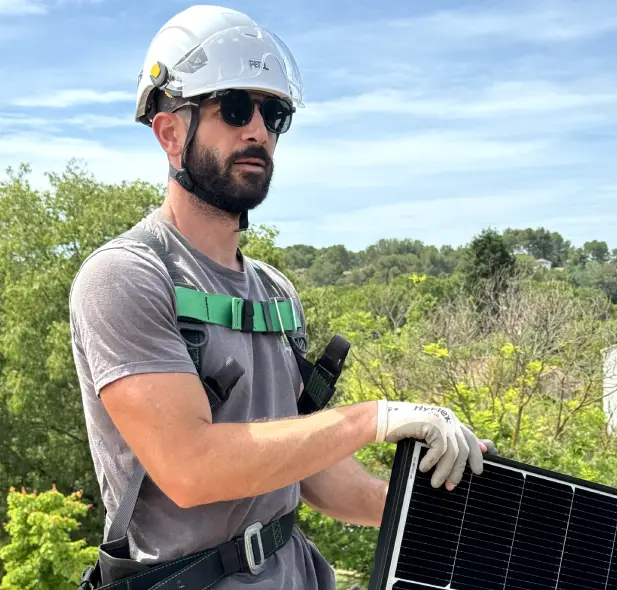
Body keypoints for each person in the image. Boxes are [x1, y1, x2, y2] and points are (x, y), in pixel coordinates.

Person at [69, 5, 493, 590]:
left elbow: (311, 473)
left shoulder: (274, 291)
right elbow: (188, 467)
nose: (259, 131)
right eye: (236, 109)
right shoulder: (127, 277)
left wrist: (438, 507)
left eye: (275, 114)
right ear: (170, 132)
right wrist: (376, 419)